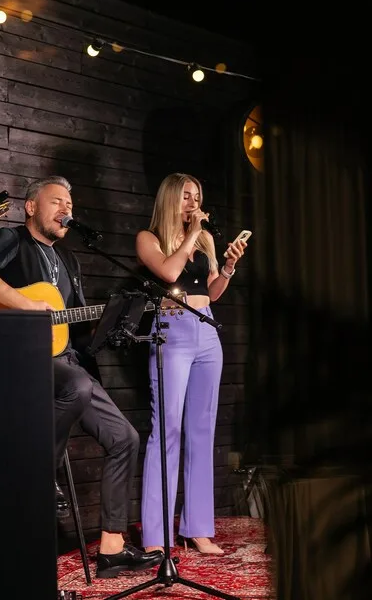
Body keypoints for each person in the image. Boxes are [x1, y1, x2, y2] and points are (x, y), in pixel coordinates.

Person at [0, 175, 163, 578]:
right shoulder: (12, 239)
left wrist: (115, 325)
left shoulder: (69, 260)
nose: (66, 209)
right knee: (78, 386)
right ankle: (40, 471)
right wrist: (26, 304)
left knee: (125, 438)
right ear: (31, 206)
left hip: (65, 360)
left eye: (70, 204)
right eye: (56, 202)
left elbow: (77, 327)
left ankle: (112, 549)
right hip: (21, 356)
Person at [135, 172, 247, 555]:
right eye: (186, 196)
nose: (194, 203)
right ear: (170, 198)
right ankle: (156, 535)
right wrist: (191, 235)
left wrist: (227, 267)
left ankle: (197, 528)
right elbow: (169, 272)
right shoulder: (149, 238)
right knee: (166, 430)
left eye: (197, 196)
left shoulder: (204, 239)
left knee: (202, 431)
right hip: (172, 331)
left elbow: (212, 292)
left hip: (207, 331)